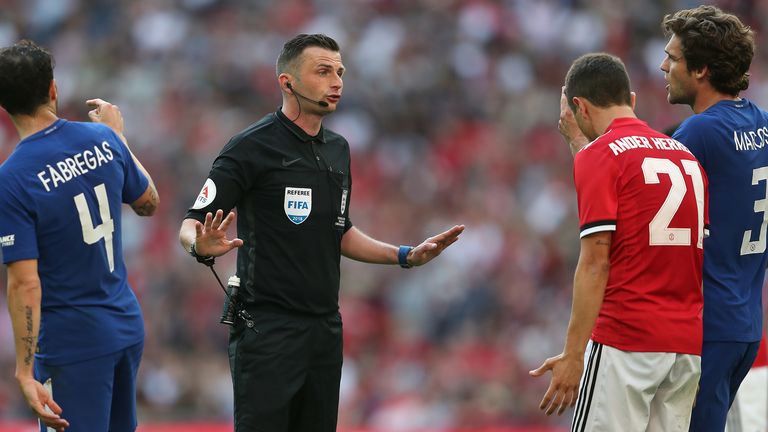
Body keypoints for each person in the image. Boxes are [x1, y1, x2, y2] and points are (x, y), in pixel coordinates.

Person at [178, 33, 464, 432]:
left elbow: (340, 231)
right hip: (268, 329)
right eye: (323, 71)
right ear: (287, 81)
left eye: (340, 72)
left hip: (325, 330)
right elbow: (191, 223)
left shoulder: (338, 149)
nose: (337, 82)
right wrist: (200, 246)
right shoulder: (249, 147)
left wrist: (404, 255)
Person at [530, 53, 708, 431]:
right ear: (632, 100)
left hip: (626, 341)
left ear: (578, 106)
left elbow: (596, 262)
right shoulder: (687, 157)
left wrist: (574, 356)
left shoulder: (600, 156)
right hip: (685, 346)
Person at [0, 40, 159, 431]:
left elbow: (24, 282)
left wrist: (23, 372)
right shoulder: (102, 140)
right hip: (125, 324)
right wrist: (118, 137)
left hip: (74, 344)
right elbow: (148, 202)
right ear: (53, 89)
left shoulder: (13, 179)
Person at [660, 6, 768, 431]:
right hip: (746, 324)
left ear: (701, 69)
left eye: (673, 57)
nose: (663, 66)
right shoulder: (762, 123)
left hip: (708, 325)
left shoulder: (698, 134)